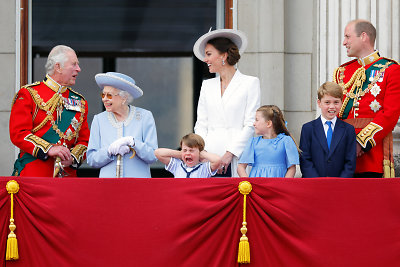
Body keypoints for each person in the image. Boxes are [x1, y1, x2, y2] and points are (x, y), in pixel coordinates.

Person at [333, 19, 400, 178]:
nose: (344, 42)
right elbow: (333, 110)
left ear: (363, 36)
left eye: (348, 37)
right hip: (341, 151)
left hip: (372, 153)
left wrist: (361, 142)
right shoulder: (342, 72)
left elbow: (390, 114)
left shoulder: (391, 70)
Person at [9, 45, 90, 177]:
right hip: (34, 175)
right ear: (58, 67)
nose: (78, 69)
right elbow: (18, 133)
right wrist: (49, 149)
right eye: (74, 64)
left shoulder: (80, 102)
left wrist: (73, 158)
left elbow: (84, 141)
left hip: (67, 178)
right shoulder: (29, 94)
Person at [193, 29, 261, 177]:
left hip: (237, 156)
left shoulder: (250, 83)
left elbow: (250, 124)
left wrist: (230, 153)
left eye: (209, 54)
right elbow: (201, 124)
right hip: (208, 159)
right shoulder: (207, 86)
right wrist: (203, 152)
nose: (205, 59)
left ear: (224, 55)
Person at [86, 72, 158, 178]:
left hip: (138, 186)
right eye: (103, 94)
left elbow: (153, 156)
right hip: (108, 186)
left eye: (109, 95)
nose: (104, 99)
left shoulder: (144, 116)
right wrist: (109, 150)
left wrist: (134, 143)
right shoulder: (99, 120)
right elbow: (91, 159)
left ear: (124, 97)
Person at [300, 82, 357, 178]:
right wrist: (317, 182)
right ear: (319, 103)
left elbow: (350, 161)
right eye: (327, 102)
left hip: (340, 186)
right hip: (314, 185)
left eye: (336, 102)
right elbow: (305, 159)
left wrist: (340, 183)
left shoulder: (348, 130)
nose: (332, 107)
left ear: (341, 102)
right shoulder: (308, 129)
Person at [237, 105, 299, 178]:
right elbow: (241, 167)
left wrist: (284, 185)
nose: (254, 123)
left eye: (257, 120)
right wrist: (248, 183)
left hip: (278, 185)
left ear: (269, 123)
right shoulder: (253, 142)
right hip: (258, 185)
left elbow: (291, 168)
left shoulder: (286, 141)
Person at [155, 133, 221, 178]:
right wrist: (180, 154)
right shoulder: (177, 165)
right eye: (185, 150)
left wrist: (202, 154)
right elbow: (157, 153)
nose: (188, 153)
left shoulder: (204, 168)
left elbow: (217, 160)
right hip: (180, 198)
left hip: (197, 198)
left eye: (191, 150)